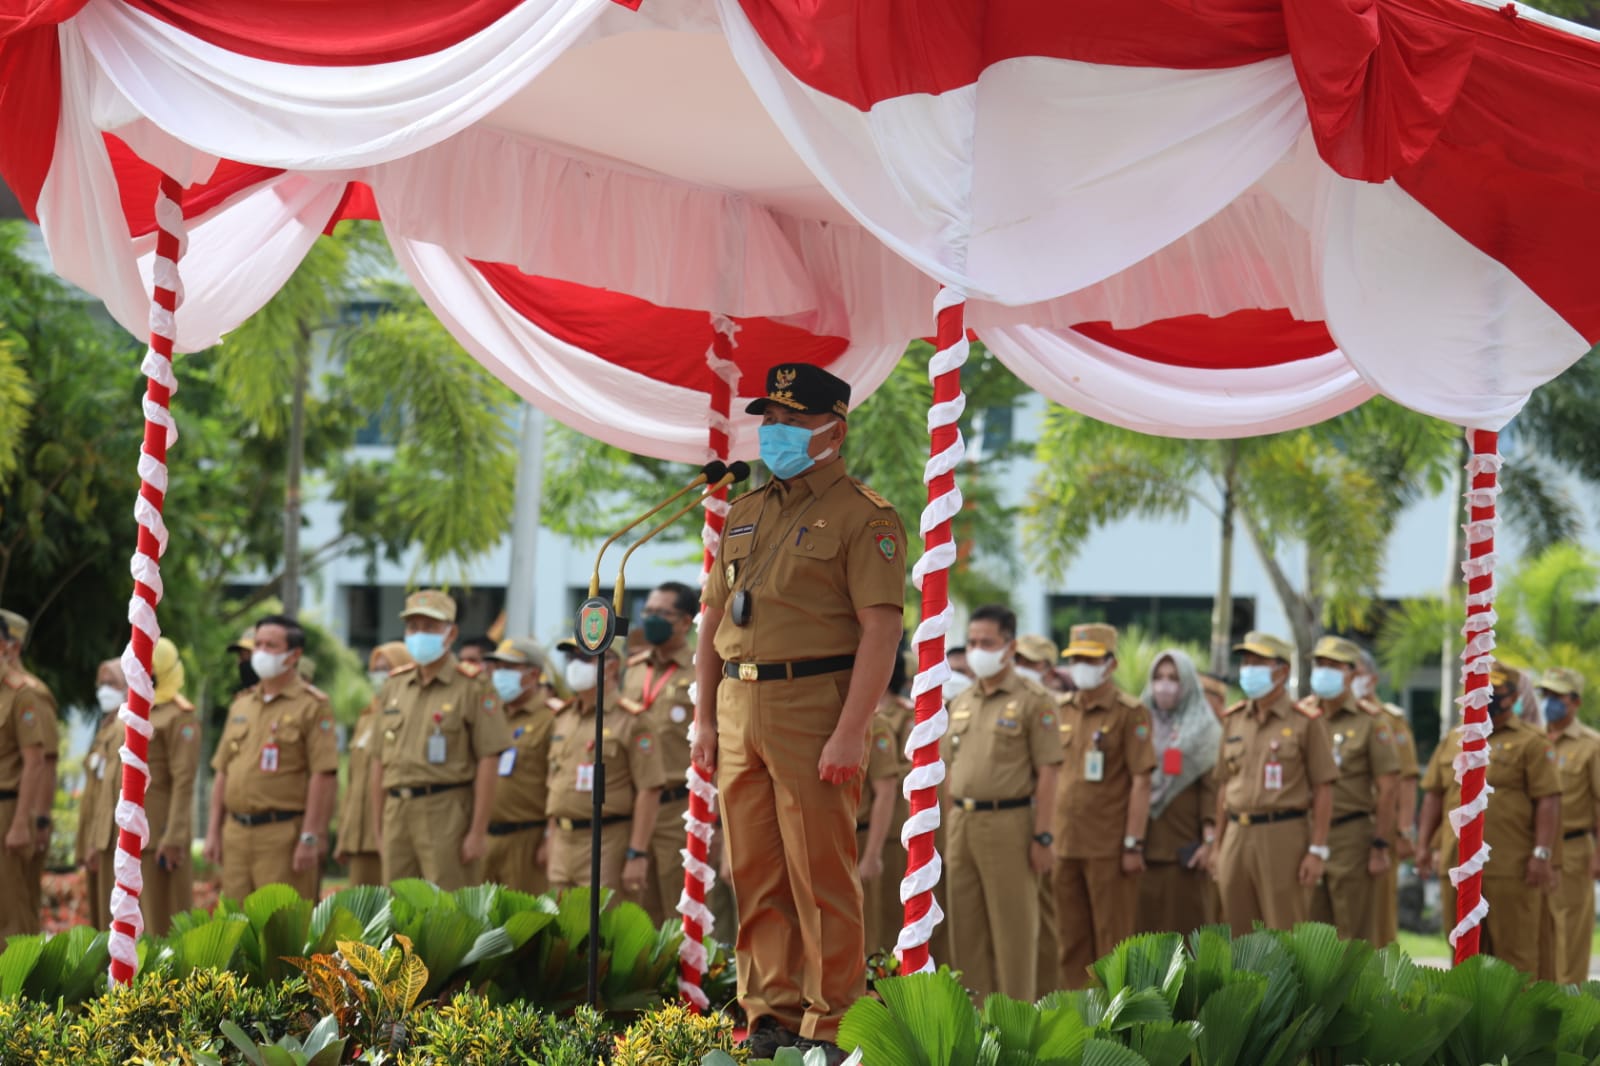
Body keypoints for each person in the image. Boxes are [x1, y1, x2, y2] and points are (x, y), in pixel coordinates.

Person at [693, 362, 905, 1062]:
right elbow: (711, 618)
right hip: (737, 700)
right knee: (752, 870)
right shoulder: (746, 511)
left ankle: (834, 1020)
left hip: (815, 702)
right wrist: (703, 715)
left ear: (833, 430)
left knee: (820, 873)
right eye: (769, 420)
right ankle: (768, 1014)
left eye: (789, 421)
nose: (773, 433)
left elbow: (881, 631)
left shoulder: (864, 515)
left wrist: (853, 730)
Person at [940, 605, 1061, 1000]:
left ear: (1009, 647)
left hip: (1010, 824)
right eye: (972, 642)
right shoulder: (962, 701)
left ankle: (1016, 1031)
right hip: (963, 822)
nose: (977, 651)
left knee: (1014, 936)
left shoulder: (1033, 699)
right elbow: (949, 769)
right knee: (967, 934)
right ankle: (975, 1032)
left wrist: (1043, 836)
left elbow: (1049, 773)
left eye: (987, 643)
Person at [1416, 663, 1560, 976]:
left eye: (1492, 693)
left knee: (1515, 959)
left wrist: (1541, 854)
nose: (1484, 699)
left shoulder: (1532, 741)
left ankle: (1516, 1026)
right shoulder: (1454, 739)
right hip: (1457, 865)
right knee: (1463, 956)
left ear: (1510, 698)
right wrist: (1424, 845)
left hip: (1511, 868)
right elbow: (1434, 796)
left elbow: (1547, 800)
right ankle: (1469, 1024)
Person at [370, 591, 510, 890]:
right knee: (396, 908)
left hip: (446, 810)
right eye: (413, 627)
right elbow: (378, 760)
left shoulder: (472, 686)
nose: (419, 634)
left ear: (451, 633)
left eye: (429, 627)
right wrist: (378, 827)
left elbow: (489, 758)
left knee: (447, 909)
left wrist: (477, 831)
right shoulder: (395, 685)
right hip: (397, 809)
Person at [1210, 631, 1337, 936]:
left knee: (1283, 931)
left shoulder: (1305, 721)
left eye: (1258, 662)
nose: (1248, 669)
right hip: (1236, 834)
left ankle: (1285, 987)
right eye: (1246, 661)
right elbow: (1224, 786)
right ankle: (1244, 987)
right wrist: (1217, 846)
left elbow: (1324, 787)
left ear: (1282, 671)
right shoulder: (1234, 719)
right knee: (1237, 934)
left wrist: (1317, 850)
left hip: (1283, 835)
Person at [204, 615, 338, 902]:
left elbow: (323, 775)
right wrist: (214, 831)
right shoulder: (241, 704)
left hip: (282, 836)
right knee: (237, 927)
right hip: (236, 834)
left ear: (294, 655)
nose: (261, 652)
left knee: (282, 930)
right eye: (258, 644)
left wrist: (310, 837)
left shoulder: (312, 705)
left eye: (271, 646)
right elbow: (223, 771)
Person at [1053, 623, 1154, 988]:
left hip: (1108, 848)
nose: (1081, 665)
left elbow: (1142, 781)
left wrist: (1133, 843)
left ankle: (1113, 1027)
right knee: (1070, 940)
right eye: (1076, 658)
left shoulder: (1130, 713)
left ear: (1111, 665)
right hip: (1064, 844)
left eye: (1090, 659)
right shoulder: (1061, 709)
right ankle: (1075, 1020)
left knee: (1112, 944)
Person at [544, 641, 665, 893]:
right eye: (571, 658)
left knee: (604, 926)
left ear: (612, 666)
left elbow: (649, 789)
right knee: (560, 928)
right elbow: (555, 783)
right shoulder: (563, 718)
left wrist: (637, 852)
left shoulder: (632, 720)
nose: (575, 665)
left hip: (607, 841)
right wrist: (551, 837)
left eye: (585, 658)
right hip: (563, 841)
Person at [1302, 636, 1399, 943]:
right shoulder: (1301, 717)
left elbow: (1388, 788)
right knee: (1307, 935)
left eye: (1333, 665)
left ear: (1352, 673)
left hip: (1351, 837)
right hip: (1304, 834)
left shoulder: (1371, 722)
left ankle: (1357, 994)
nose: (1323, 671)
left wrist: (1381, 845)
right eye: (1319, 664)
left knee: (1353, 935)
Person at [618, 581, 698, 922]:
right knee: (636, 917)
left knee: (679, 915)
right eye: (647, 612)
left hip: (677, 809)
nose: (651, 619)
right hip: (631, 808)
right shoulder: (634, 669)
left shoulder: (701, 672)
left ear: (684, 621)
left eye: (661, 613)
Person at [1134, 648, 1221, 936]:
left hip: (1185, 850)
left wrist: (1209, 841)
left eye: (1173, 677)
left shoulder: (1206, 729)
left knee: (1185, 938)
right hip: (1140, 848)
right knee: (1141, 939)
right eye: (1158, 677)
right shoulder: (1138, 722)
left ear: (1187, 683)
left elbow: (1213, 789)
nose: (1165, 684)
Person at [1534, 667, 1600, 983]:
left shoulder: (1591, 745)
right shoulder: (1533, 739)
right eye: (1545, 695)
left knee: (1570, 931)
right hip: (1533, 850)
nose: (1549, 702)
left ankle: (1570, 1008)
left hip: (1574, 849)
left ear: (1575, 701)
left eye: (1556, 696)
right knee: (1535, 930)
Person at [0, 609, 59, 937]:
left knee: (12, 913)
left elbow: (42, 762)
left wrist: (33, 821)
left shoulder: (26, 694)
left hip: (8, 810)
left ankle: (17, 987)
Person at [1355, 648, 1417, 947]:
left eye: (1354, 672)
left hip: (1378, 827)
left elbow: (1405, 780)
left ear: (1371, 679)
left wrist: (1404, 830)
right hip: (1337, 829)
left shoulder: (1390, 721)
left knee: (1378, 918)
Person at [336, 641, 412, 886]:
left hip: (394, 831)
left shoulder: (409, 716)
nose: (380, 675)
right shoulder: (366, 717)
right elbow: (353, 781)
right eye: (375, 668)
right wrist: (344, 835)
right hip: (360, 837)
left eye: (386, 668)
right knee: (362, 916)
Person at [483, 637, 555, 895]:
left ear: (533, 674)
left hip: (527, 838)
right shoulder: (490, 715)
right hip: (485, 836)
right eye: (498, 667)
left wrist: (550, 838)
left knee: (525, 925)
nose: (500, 674)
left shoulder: (551, 719)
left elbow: (556, 783)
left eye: (509, 668)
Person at [138, 637, 201, 934]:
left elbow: (184, 779)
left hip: (160, 835)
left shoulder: (179, 716)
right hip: (134, 833)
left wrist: (174, 836)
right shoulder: (138, 711)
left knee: (163, 922)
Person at [78, 659, 126, 930]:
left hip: (109, 838)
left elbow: (112, 795)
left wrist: (96, 842)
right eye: (102, 684)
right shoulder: (106, 726)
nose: (104, 691)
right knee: (100, 917)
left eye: (113, 684)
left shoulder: (122, 727)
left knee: (112, 918)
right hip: (97, 834)